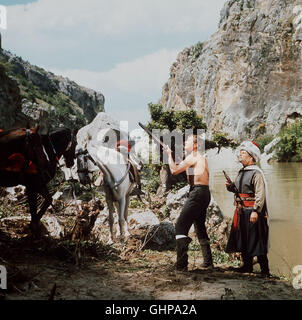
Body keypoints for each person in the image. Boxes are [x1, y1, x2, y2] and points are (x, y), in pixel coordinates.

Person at [164, 134, 213, 271]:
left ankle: (181, 265)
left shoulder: (192, 157)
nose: (185, 142)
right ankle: (208, 262)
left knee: (180, 226)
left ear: (196, 145)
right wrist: (182, 163)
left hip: (197, 193)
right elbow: (193, 175)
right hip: (205, 193)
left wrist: (169, 155)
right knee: (200, 226)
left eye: (188, 140)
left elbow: (173, 171)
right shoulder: (201, 158)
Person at [225, 141, 270, 277]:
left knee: (257, 240)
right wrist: (230, 186)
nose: (240, 155)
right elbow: (239, 191)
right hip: (241, 211)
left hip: (252, 212)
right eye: (240, 152)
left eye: (243, 153)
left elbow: (260, 194)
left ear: (251, 157)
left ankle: (265, 271)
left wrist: (256, 211)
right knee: (243, 239)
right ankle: (247, 266)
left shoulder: (256, 173)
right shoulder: (241, 172)